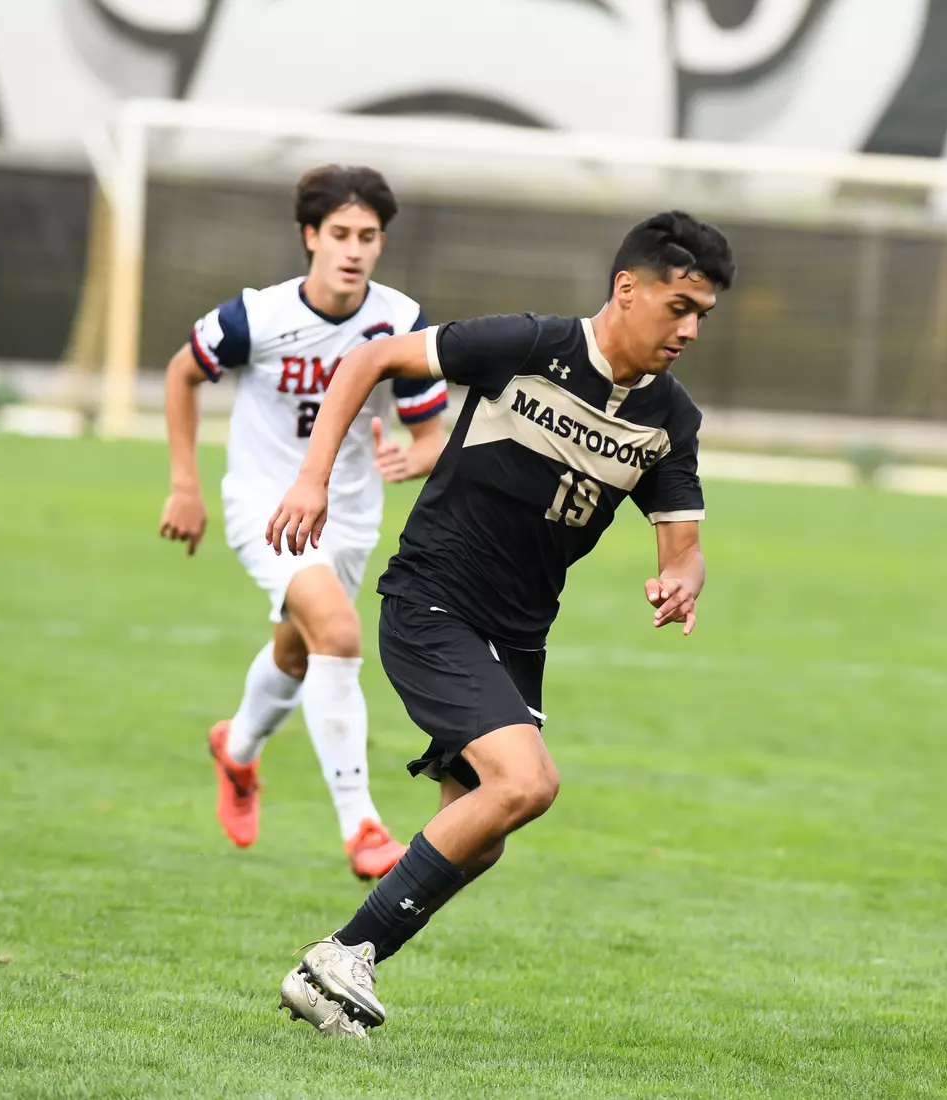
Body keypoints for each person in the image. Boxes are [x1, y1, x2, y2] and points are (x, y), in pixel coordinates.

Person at [264, 210, 734, 1039]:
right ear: (627, 289)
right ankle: (340, 956)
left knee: (483, 835)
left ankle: (333, 979)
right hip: (435, 601)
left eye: (704, 315)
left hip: (518, 637)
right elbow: (371, 357)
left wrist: (680, 580)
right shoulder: (528, 344)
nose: (691, 328)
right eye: (680, 306)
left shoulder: (670, 418)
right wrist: (313, 480)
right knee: (529, 783)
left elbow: (684, 547)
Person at [158, 165, 447, 880]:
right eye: (340, 234)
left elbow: (431, 433)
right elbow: (181, 373)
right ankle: (364, 827)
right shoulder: (256, 316)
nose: (353, 249)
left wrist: (419, 456)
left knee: (300, 651)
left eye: (368, 236)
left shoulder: (401, 322)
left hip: (349, 517)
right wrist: (185, 484)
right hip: (265, 503)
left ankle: (239, 747)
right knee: (340, 633)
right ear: (310, 236)